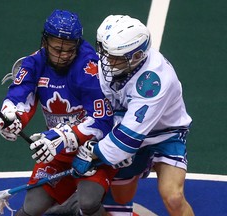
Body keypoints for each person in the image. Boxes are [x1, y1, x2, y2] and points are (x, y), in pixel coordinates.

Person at [0, 9, 119, 216]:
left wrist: (63, 136)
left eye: (69, 50)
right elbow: (20, 95)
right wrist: (12, 116)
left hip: (94, 152)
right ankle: (68, 202)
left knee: (88, 203)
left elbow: (102, 121)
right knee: (31, 208)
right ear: (45, 42)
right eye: (57, 49)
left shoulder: (89, 68)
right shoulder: (34, 62)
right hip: (57, 152)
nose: (63, 55)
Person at [71, 16, 195, 216]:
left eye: (116, 58)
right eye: (107, 54)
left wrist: (93, 153)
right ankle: (139, 166)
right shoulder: (112, 63)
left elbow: (129, 137)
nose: (108, 61)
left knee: (173, 197)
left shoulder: (153, 82)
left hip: (165, 134)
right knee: (121, 198)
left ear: (137, 56)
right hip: (125, 130)